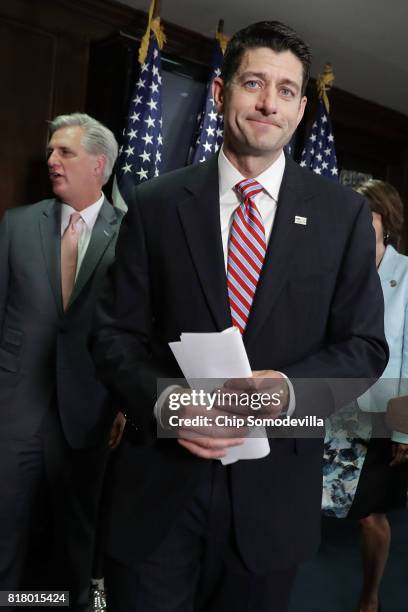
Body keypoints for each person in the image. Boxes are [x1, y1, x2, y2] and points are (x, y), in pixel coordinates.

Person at [91, 21, 388, 612]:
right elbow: (112, 335)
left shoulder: (343, 218)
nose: (267, 103)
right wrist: (168, 403)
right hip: (159, 490)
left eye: (284, 90)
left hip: (273, 495)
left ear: (301, 109)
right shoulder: (155, 205)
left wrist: (286, 390)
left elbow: (364, 349)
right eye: (254, 82)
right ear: (222, 93)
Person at [0, 113, 124, 611]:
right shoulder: (15, 224)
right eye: (51, 152)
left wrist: (121, 405)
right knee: (6, 535)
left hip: (89, 417)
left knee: (75, 542)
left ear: (99, 164)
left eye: (64, 152)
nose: (51, 160)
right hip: (15, 410)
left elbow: (136, 332)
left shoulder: (133, 234)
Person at [323, 179, 408, 612]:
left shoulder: (407, 274)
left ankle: (370, 595)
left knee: (372, 517)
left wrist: (404, 431)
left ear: (384, 221)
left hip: (381, 416)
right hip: (327, 409)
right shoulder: (331, 267)